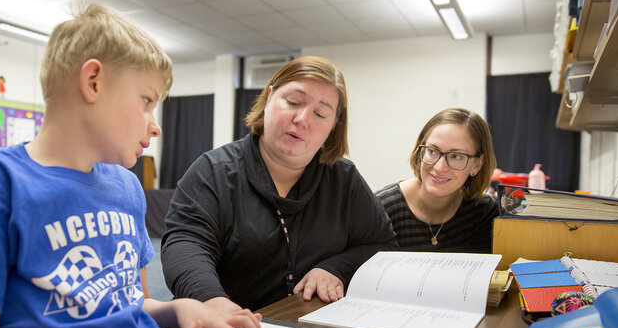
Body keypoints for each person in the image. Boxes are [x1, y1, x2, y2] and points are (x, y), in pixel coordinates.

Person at [0, 3, 261, 328]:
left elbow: (126, 304)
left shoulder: (126, 188)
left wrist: (176, 310)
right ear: (94, 82)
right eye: (147, 101)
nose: (155, 124)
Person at [162, 56, 398, 314]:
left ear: (333, 127)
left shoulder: (344, 178)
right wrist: (211, 300)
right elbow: (186, 244)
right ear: (269, 97)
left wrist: (335, 267)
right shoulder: (213, 172)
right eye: (293, 102)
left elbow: (381, 245)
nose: (302, 119)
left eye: (321, 114)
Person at [376, 108, 499, 253]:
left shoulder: (483, 213)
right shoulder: (381, 209)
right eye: (432, 151)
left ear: (477, 165)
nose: (440, 167)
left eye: (456, 156)